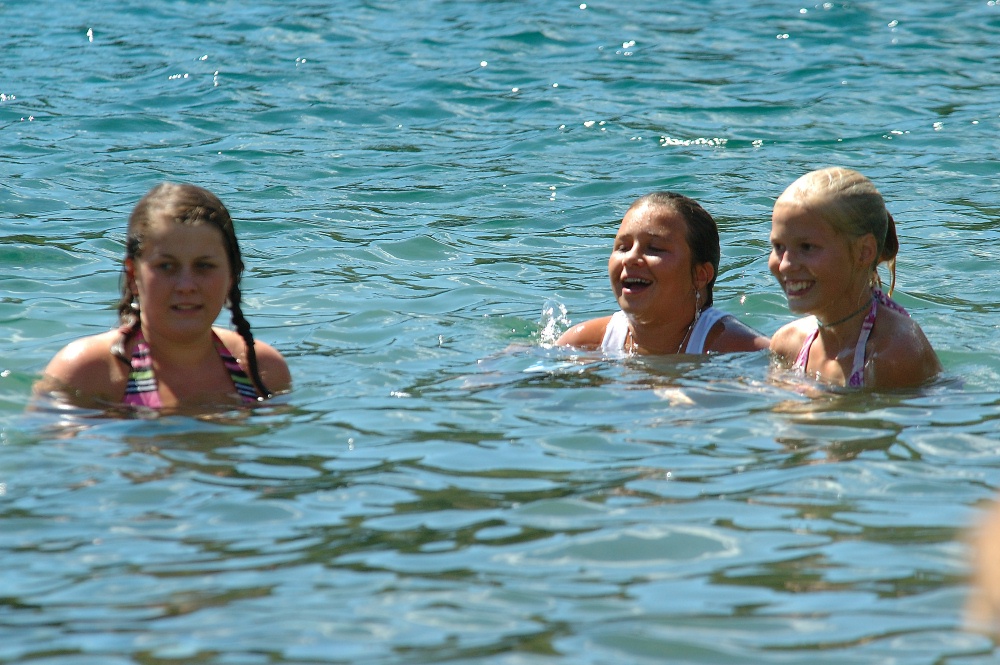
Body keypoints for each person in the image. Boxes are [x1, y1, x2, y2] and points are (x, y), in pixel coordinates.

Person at [36, 183, 291, 410]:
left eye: (204, 266)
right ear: (134, 275)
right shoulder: (88, 371)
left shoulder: (261, 370)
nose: (186, 285)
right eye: (166, 267)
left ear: (232, 276)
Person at [768, 167, 940, 389]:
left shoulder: (894, 355)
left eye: (807, 247)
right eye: (779, 247)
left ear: (864, 251)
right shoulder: (787, 344)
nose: (785, 265)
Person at [556, 191, 769, 355]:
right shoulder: (584, 344)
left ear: (700, 275)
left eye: (655, 248)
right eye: (623, 247)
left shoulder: (741, 350)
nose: (630, 258)